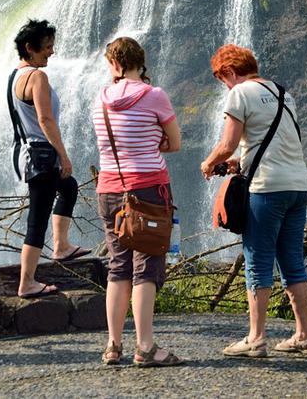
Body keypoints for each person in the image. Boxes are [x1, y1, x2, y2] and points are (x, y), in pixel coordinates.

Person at [201, 44, 307, 358]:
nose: (225, 86)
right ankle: (304, 335)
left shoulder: (240, 93)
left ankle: (256, 338)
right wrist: (244, 160)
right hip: (298, 185)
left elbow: (226, 144)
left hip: (266, 189)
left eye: (223, 79)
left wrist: (209, 162)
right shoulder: (282, 93)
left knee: (257, 261)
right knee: (292, 260)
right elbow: (279, 141)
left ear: (230, 72)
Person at [93, 37, 184, 367]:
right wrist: (152, 140)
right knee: (146, 266)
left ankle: (112, 345)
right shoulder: (154, 95)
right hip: (147, 190)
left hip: (109, 189)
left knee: (118, 267)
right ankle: (145, 347)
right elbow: (174, 143)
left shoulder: (100, 99)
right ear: (138, 63)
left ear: (115, 65)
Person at [9, 20, 88, 299]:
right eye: (47, 47)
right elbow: (45, 119)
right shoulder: (37, 78)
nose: (51, 52)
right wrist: (63, 155)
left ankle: (61, 245)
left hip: (27, 154)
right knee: (37, 219)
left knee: (68, 187)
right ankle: (27, 282)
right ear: (30, 48)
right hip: (42, 156)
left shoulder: (14, 78)